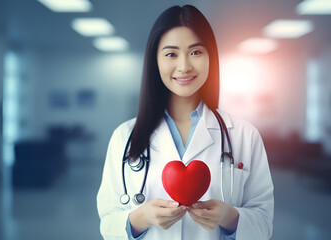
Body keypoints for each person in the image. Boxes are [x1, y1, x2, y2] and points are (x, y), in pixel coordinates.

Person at [97, 4, 274, 240]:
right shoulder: (125, 136)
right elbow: (108, 223)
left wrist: (229, 217)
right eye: (171, 54)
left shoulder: (244, 135)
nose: (184, 66)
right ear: (155, 61)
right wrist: (141, 218)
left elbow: (264, 224)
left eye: (196, 52)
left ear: (211, 57)